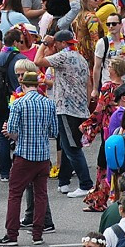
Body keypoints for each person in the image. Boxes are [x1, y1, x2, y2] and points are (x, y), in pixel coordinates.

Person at [0, 70, 58, 246]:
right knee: (41, 194)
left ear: (23, 85)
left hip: (24, 155)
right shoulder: (49, 104)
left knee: (15, 194)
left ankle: (12, 234)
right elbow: (54, 132)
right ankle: (37, 234)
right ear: (38, 85)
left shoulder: (18, 104)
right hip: (43, 156)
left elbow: (12, 131)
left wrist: (12, 133)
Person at [36, 29, 95, 198]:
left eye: (56, 44)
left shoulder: (63, 56)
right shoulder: (81, 58)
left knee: (72, 148)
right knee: (67, 144)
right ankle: (64, 182)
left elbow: (37, 61)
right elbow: (88, 83)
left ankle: (85, 184)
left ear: (62, 44)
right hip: (79, 107)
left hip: (68, 108)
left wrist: (43, 44)